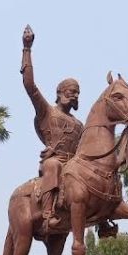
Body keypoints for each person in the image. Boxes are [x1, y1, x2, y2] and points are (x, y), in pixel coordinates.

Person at [20, 25, 84, 236]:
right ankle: (48, 214)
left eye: (77, 93)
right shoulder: (47, 112)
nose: (73, 96)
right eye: (70, 92)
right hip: (54, 163)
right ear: (59, 93)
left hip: (73, 166)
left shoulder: (79, 125)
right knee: (54, 164)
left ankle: (102, 219)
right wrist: (26, 49)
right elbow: (30, 86)